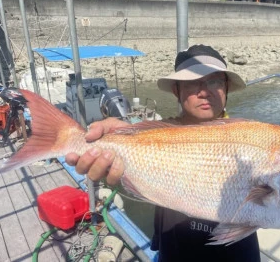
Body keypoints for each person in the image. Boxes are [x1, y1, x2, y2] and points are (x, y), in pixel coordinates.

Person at [66, 44, 261, 261]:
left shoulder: (251, 140)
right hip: (174, 248)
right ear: (177, 90)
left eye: (214, 81)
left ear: (225, 87)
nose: (204, 91)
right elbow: (139, 133)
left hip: (235, 252)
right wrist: (117, 134)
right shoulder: (158, 132)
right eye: (192, 82)